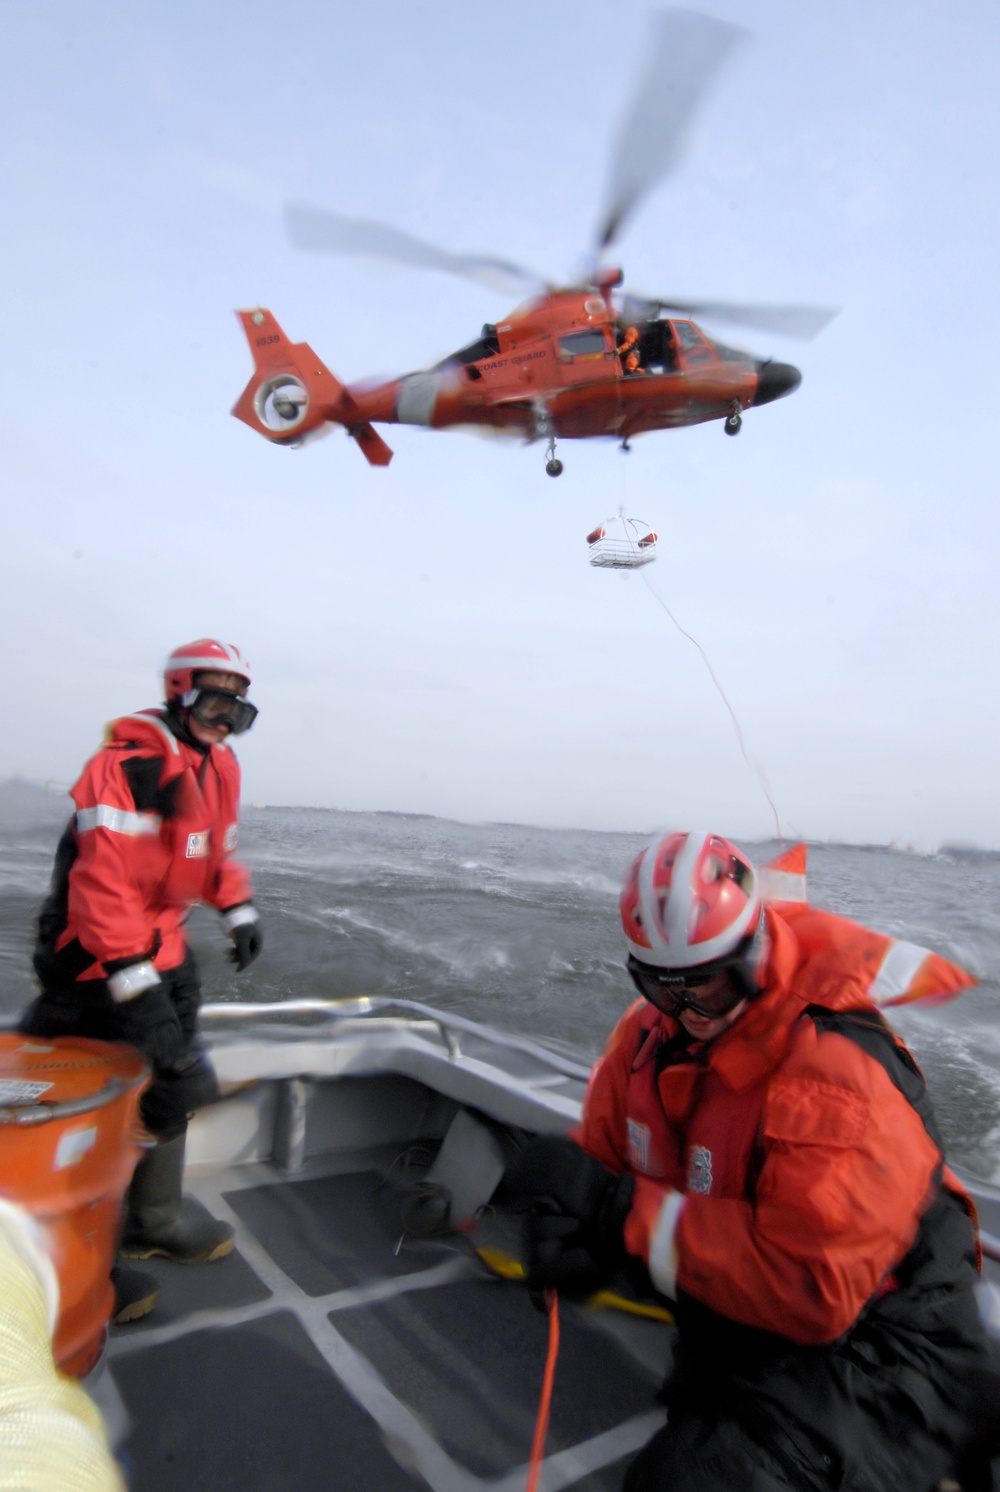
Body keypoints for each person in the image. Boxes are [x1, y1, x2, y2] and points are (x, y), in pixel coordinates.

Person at [508, 831, 995, 1492]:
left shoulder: (831, 1071)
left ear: (753, 947)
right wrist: (571, 1222)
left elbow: (811, 1289)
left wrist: (616, 1213)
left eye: (707, 984)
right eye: (663, 986)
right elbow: (604, 1158)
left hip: (889, 1352)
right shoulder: (649, 1037)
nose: (689, 1010)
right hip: (755, 1335)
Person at [20, 640, 263, 1312]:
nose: (224, 721)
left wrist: (238, 912)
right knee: (98, 1102)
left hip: (166, 950)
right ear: (180, 693)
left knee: (175, 1089)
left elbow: (217, 851)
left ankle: (151, 1224)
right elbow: (101, 890)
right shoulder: (126, 767)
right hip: (97, 962)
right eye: (215, 703)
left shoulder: (219, 765)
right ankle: (71, 1269)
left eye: (238, 711)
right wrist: (135, 985)